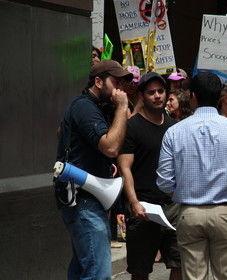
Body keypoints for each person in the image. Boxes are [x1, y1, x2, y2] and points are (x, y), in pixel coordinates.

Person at [156, 72, 227, 279]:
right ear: (220, 97)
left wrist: (182, 194)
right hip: (226, 211)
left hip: (189, 212)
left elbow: (165, 181)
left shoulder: (175, 132)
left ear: (193, 95)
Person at [55, 60, 132, 279]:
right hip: (84, 200)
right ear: (98, 81)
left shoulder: (93, 108)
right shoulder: (84, 106)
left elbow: (61, 131)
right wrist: (123, 107)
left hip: (87, 199)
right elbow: (111, 146)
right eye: (115, 82)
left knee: (82, 267)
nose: (120, 89)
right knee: (98, 272)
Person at [117, 72, 181, 280]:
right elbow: (125, 168)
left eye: (161, 91)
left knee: (179, 264)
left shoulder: (174, 127)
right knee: (140, 270)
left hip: (173, 207)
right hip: (144, 208)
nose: (157, 96)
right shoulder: (132, 126)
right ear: (142, 96)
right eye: (151, 92)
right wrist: (134, 203)